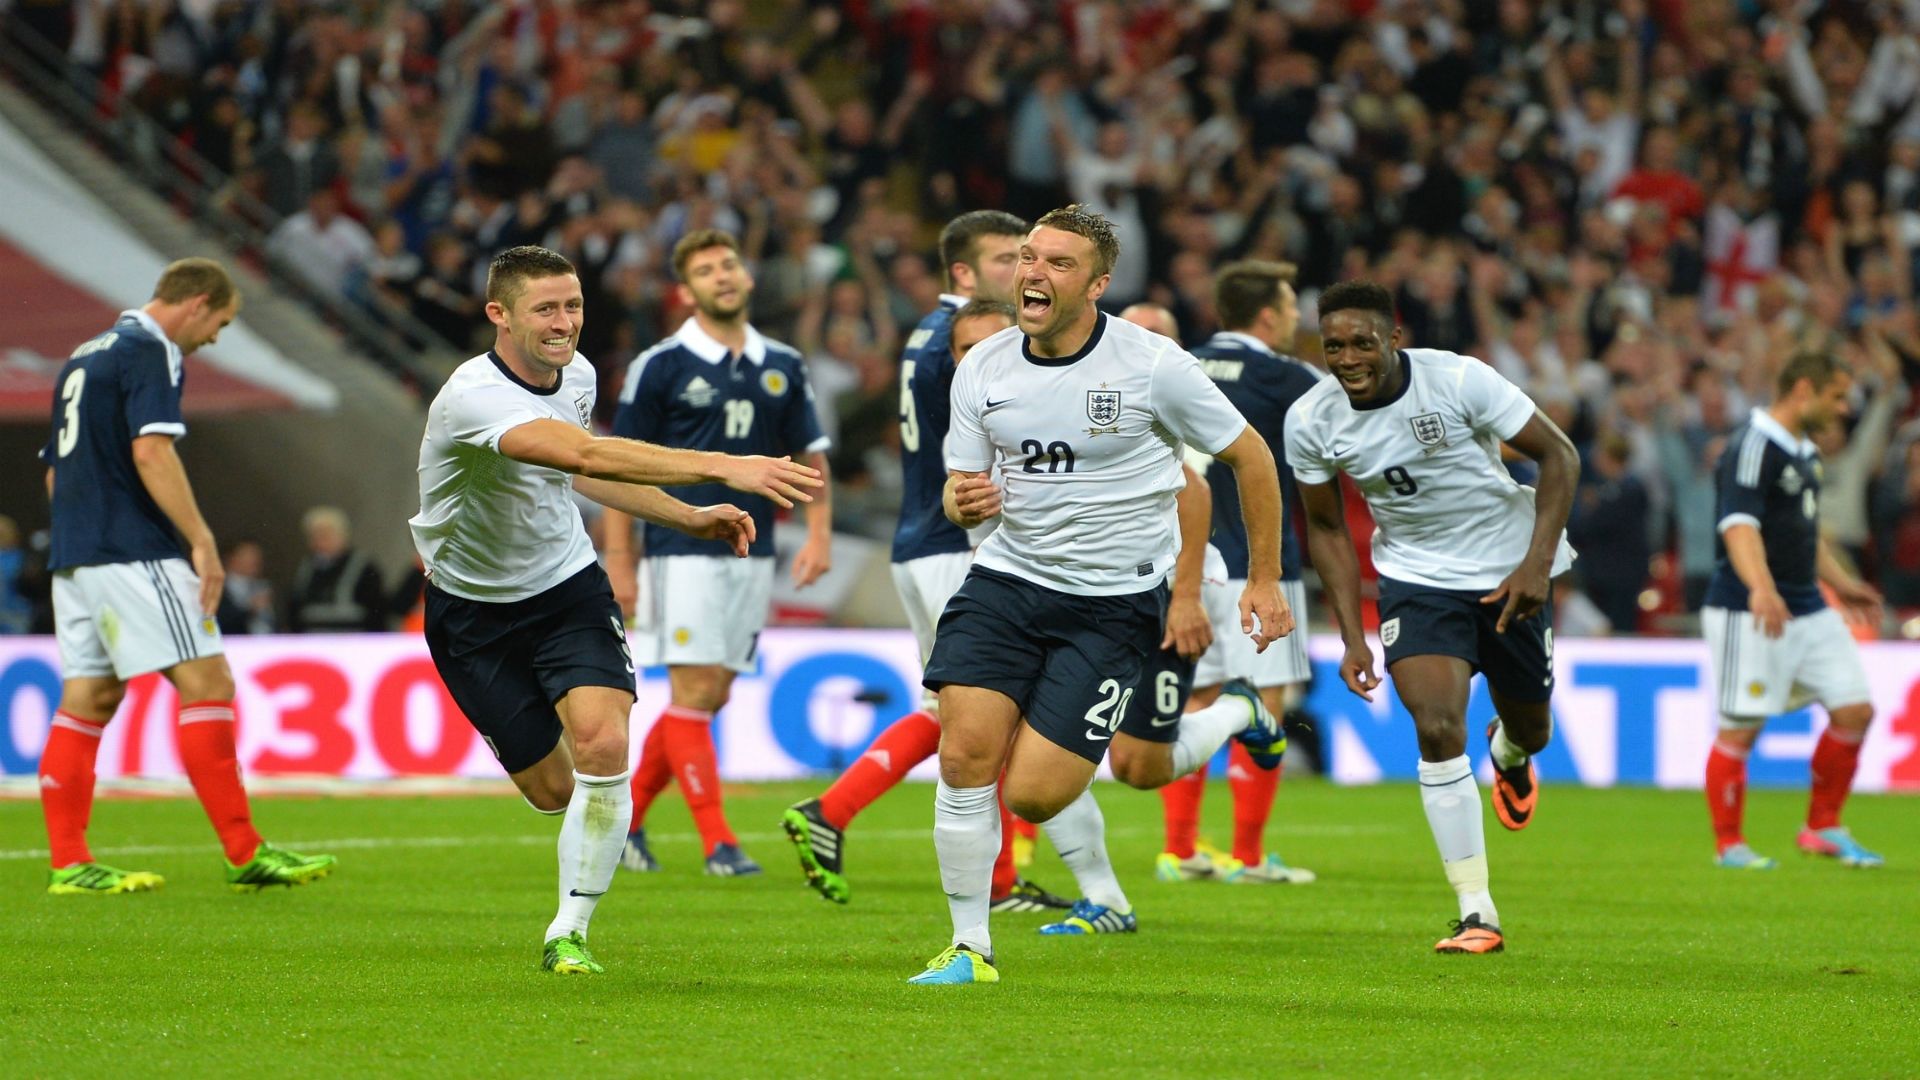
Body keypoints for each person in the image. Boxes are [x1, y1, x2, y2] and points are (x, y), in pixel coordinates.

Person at [908, 205, 1293, 985]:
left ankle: (1237, 709)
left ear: (1097, 283)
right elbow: (958, 489)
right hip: (1007, 583)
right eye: (1027, 257)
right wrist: (963, 505)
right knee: (963, 755)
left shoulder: (1152, 366)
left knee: (1036, 796)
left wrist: (1260, 578)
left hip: (1114, 604)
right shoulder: (983, 366)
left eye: (1056, 263)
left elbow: (1249, 458)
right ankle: (969, 947)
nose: (1032, 274)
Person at [412, 245, 819, 974]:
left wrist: (684, 515)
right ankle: (577, 884)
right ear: (499, 315)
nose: (564, 322)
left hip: (567, 588)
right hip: (470, 612)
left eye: (572, 306)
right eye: (545, 308)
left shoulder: (577, 375)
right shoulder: (473, 395)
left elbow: (585, 475)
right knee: (553, 790)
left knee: (603, 745)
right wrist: (724, 465)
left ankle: (569, 931)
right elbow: (588, 457)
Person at [779, 211, 1068, 913]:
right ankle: (994, 886)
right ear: (963, 272)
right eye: (1007, 258)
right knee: (988, 717)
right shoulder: (972, 342)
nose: (1023, 270)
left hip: (923, 541)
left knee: (949, 711)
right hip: (952, 542)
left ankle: (834, 813)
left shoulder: (928, 336)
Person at [1288, 280, 1580, 955]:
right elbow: (1326, 528)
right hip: (1416, 582)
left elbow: (1559, 455)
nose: (1348, 358)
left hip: (1511, 574)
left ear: (1395, 338)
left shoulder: (1459, 380)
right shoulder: (1311, 419)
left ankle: (1508, 749)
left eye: (1363, 342)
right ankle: (1477, 910)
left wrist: (1535, 566)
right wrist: (1353, 633)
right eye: (1334, 346)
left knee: (1533, 728)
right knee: (1437, 724)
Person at [35, 257, 337, 896]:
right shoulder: (153, 349)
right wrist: (201, 541)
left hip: (75, 552)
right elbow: (152, 450)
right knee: (207, 680)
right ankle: (243, 849)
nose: (214, 338)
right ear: (197, 303)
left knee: (90, 697)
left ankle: (69, 861)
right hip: (132, 549)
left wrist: (77, 539)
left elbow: (55, 472)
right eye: (220, 322)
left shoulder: (86, 355)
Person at [605, 229, 834, 878]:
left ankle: (627, 824)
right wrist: (621, 559)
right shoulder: (663, 364)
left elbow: (810, 456)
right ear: (687, 290)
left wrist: (818, 531)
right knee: (694, 688)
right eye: (706, 270)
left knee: (712, 695)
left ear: (748, 277)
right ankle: (718, 843)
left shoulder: (783, 362)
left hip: (751, 551)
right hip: (681, 545)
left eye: (729, 264)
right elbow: (618, 467)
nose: (722, 276)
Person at [1125, 270, 1322, 887]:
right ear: (1268, 316)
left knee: (1194, 701)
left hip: (1186, 566)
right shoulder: (1291, 378)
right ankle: (1248, 854)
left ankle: (1180, 850)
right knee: (1264, 705)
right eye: (1289, 306)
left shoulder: (1177, 363)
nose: (1293, 319)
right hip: (1259, 567)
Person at [1700, 352, 1885, 870]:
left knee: (1855, 709)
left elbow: (1804, 531)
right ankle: (1729, 845)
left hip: (1806, 604)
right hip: (1749, 608)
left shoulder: (1804, 450)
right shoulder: (1752, 446)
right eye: (1837, 396)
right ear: (1804, 388)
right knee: (1742, 727)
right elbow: (1739, 526)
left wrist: (1842, 584)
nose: (1845, 408)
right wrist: (1760, 587)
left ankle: (1822, 827)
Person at [286, 507, 387, 632]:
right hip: (312, 642)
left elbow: (377, 611)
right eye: (314, 535)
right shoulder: (305, 569)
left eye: (325, 535)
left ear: (342, 536)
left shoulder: (364, 568)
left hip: (353, 643)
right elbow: (294, 608)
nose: (320, 541)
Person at [215, 539, 276, 635]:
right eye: (248, 556)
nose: (254, 561)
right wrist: (250, 610)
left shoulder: (263, 587)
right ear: (231, 559)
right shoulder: (219, 588)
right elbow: (221, 620)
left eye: (256, 556)